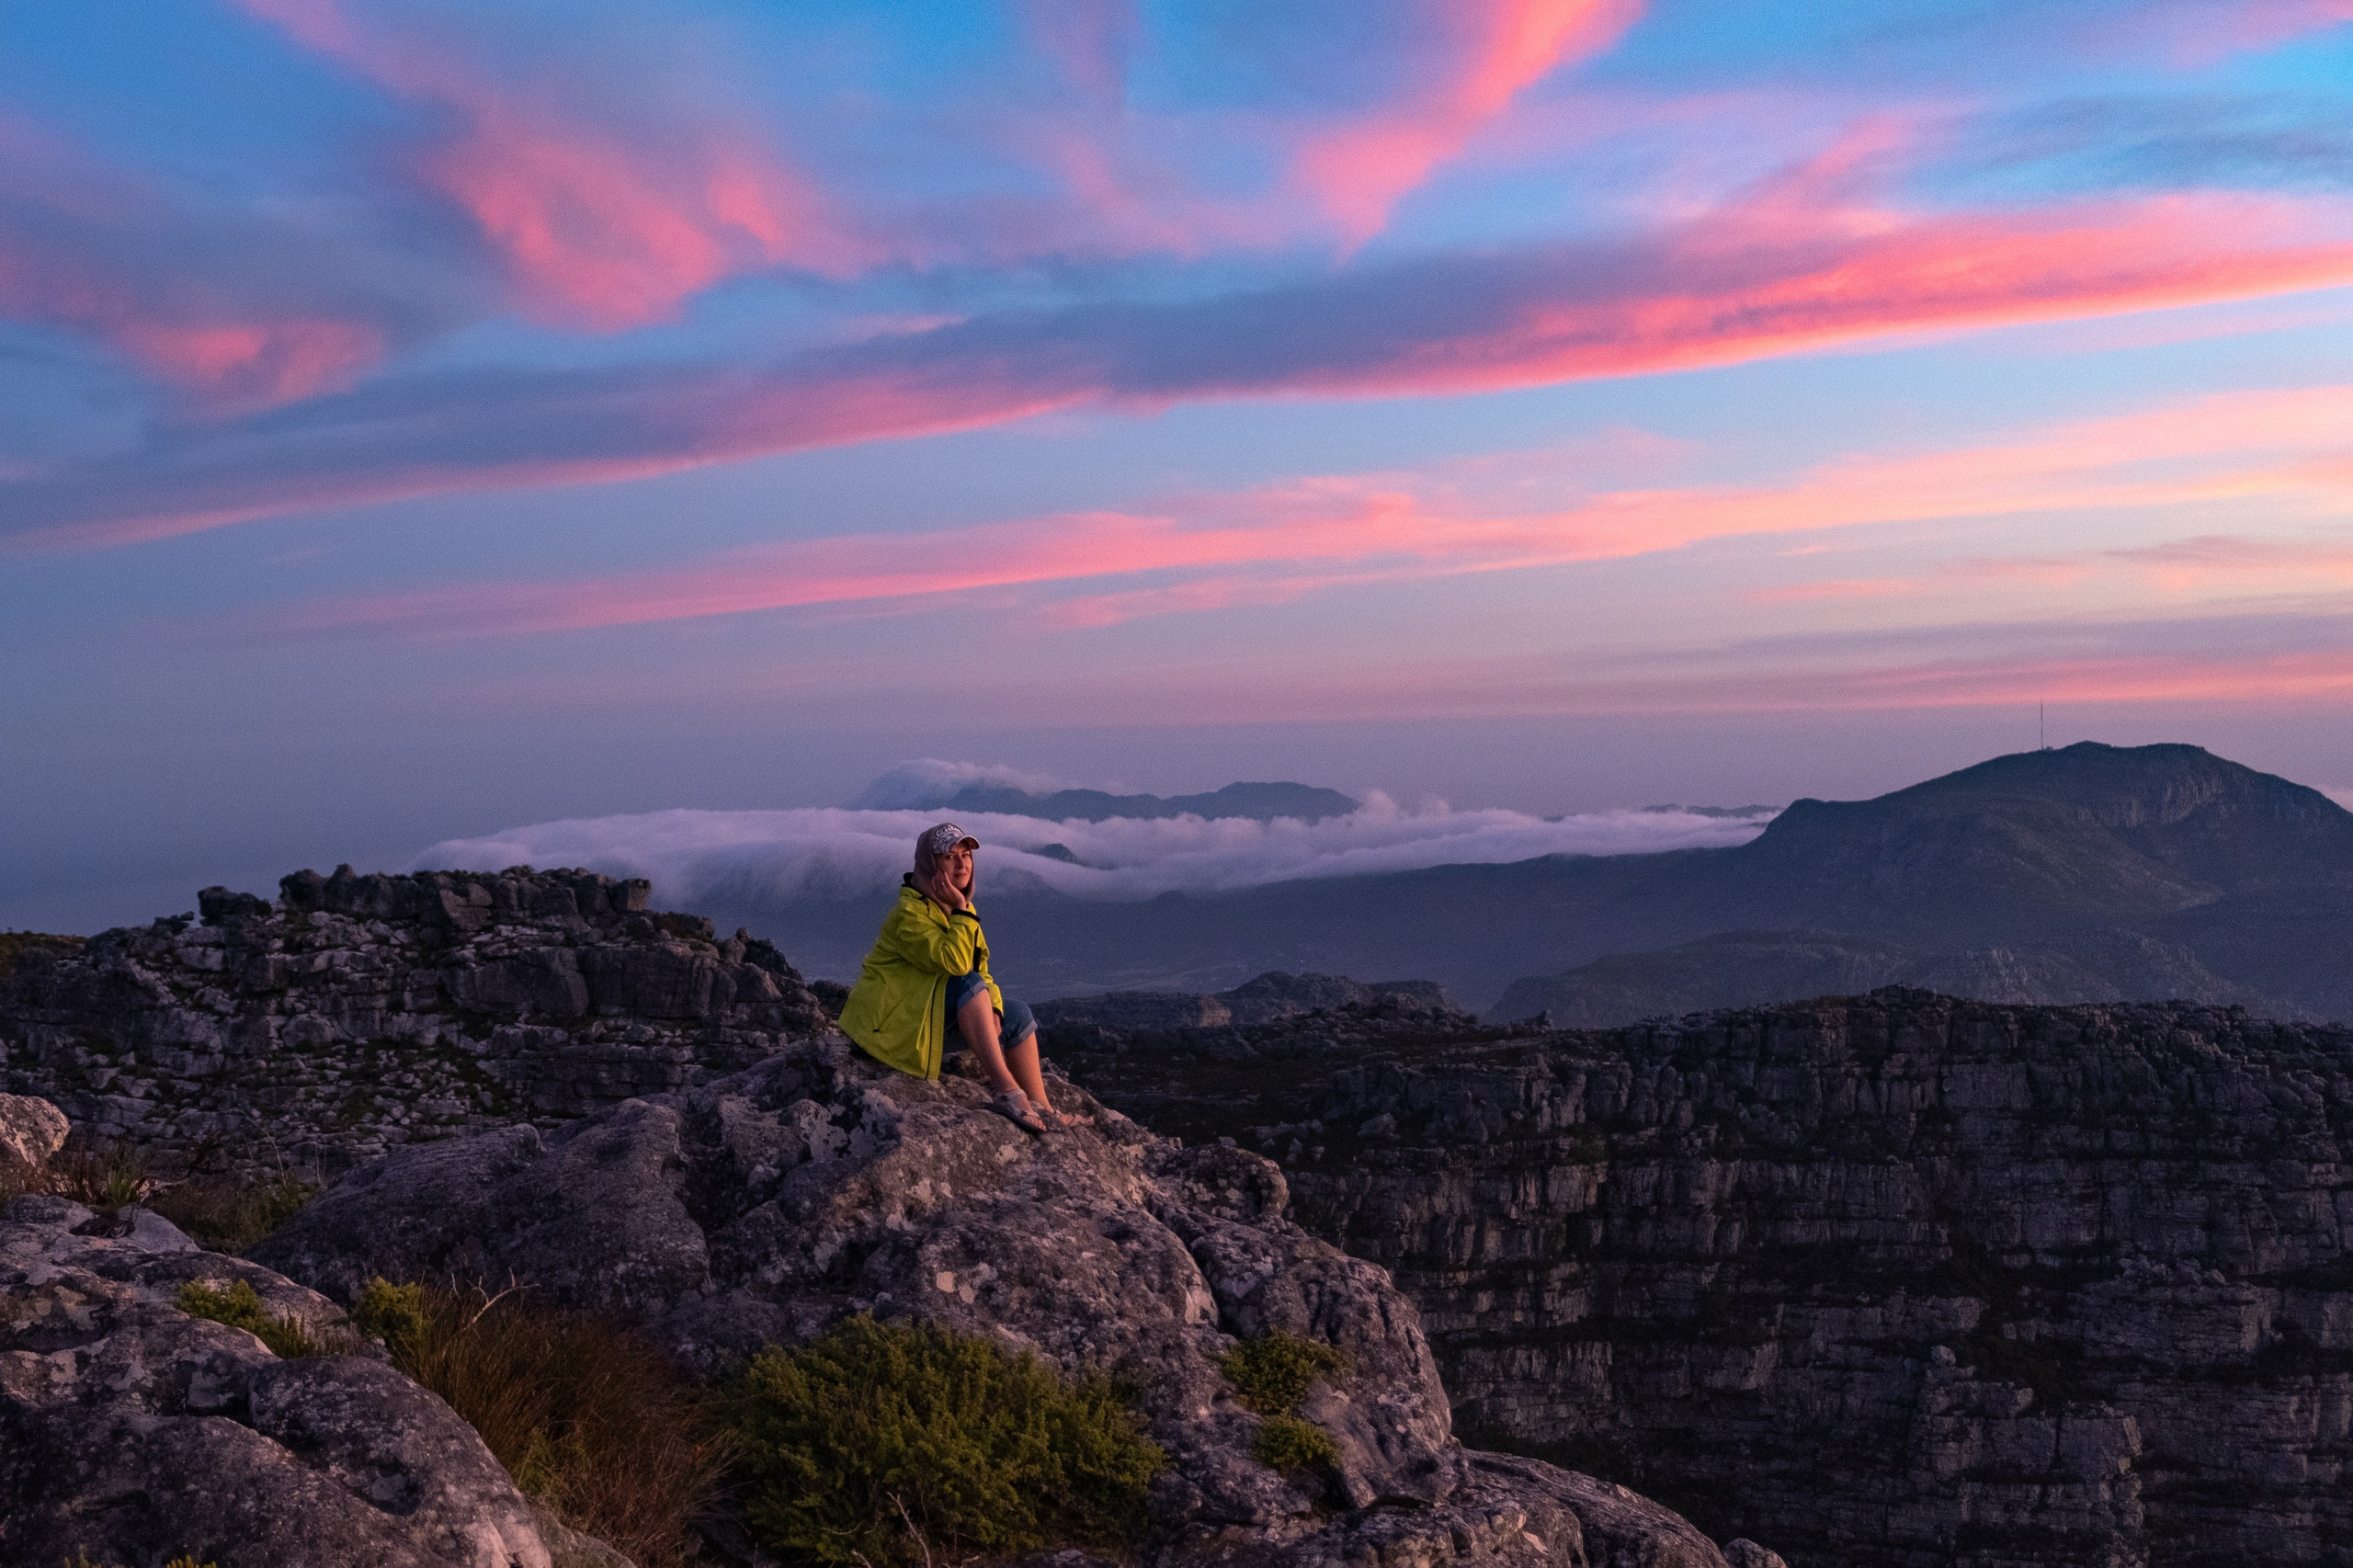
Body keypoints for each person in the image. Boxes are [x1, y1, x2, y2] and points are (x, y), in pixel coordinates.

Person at [839, 822, 1069, 1134]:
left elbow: (982, 967)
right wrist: (962, 910)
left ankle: (1044, 1108)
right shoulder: (910, 914)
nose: (961, 863)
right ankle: (1007, 1092)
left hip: (925, 1016)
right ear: (930, 865)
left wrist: (996, 1011)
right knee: (967, 984)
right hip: (890, 1030)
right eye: (949, 856)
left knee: (1017, 1014)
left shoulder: (960, 911)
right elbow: (957, 964)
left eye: (966, 855)